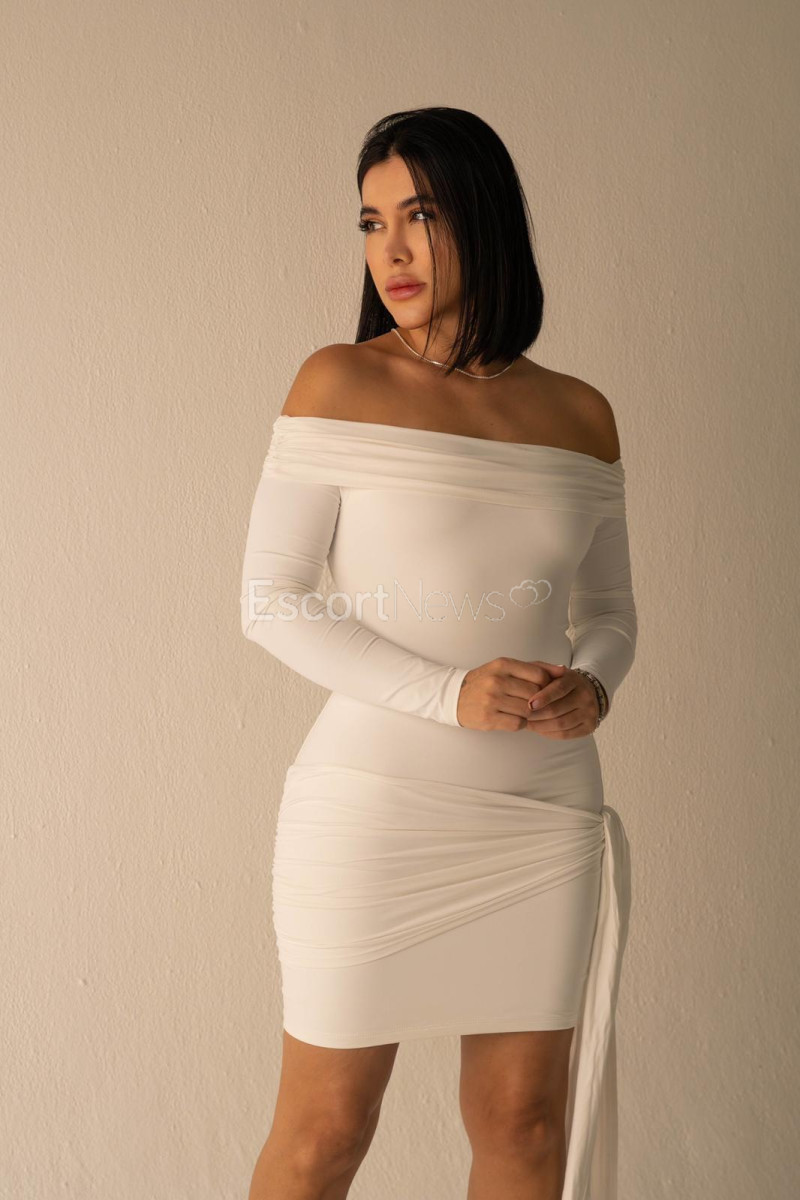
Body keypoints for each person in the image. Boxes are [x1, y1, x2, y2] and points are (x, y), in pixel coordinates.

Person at [240, 107, 637, 1200]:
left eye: (420, 215)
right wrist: (447, 691)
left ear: (485, 219)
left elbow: (609, 609)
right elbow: (270, 601)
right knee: (326, 1131)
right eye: (372, 223)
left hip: (543, 811)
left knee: (525, 1124)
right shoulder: (338, 382)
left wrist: (595, 685)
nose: (393, 250)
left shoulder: (580, 413)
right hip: (375, 808)